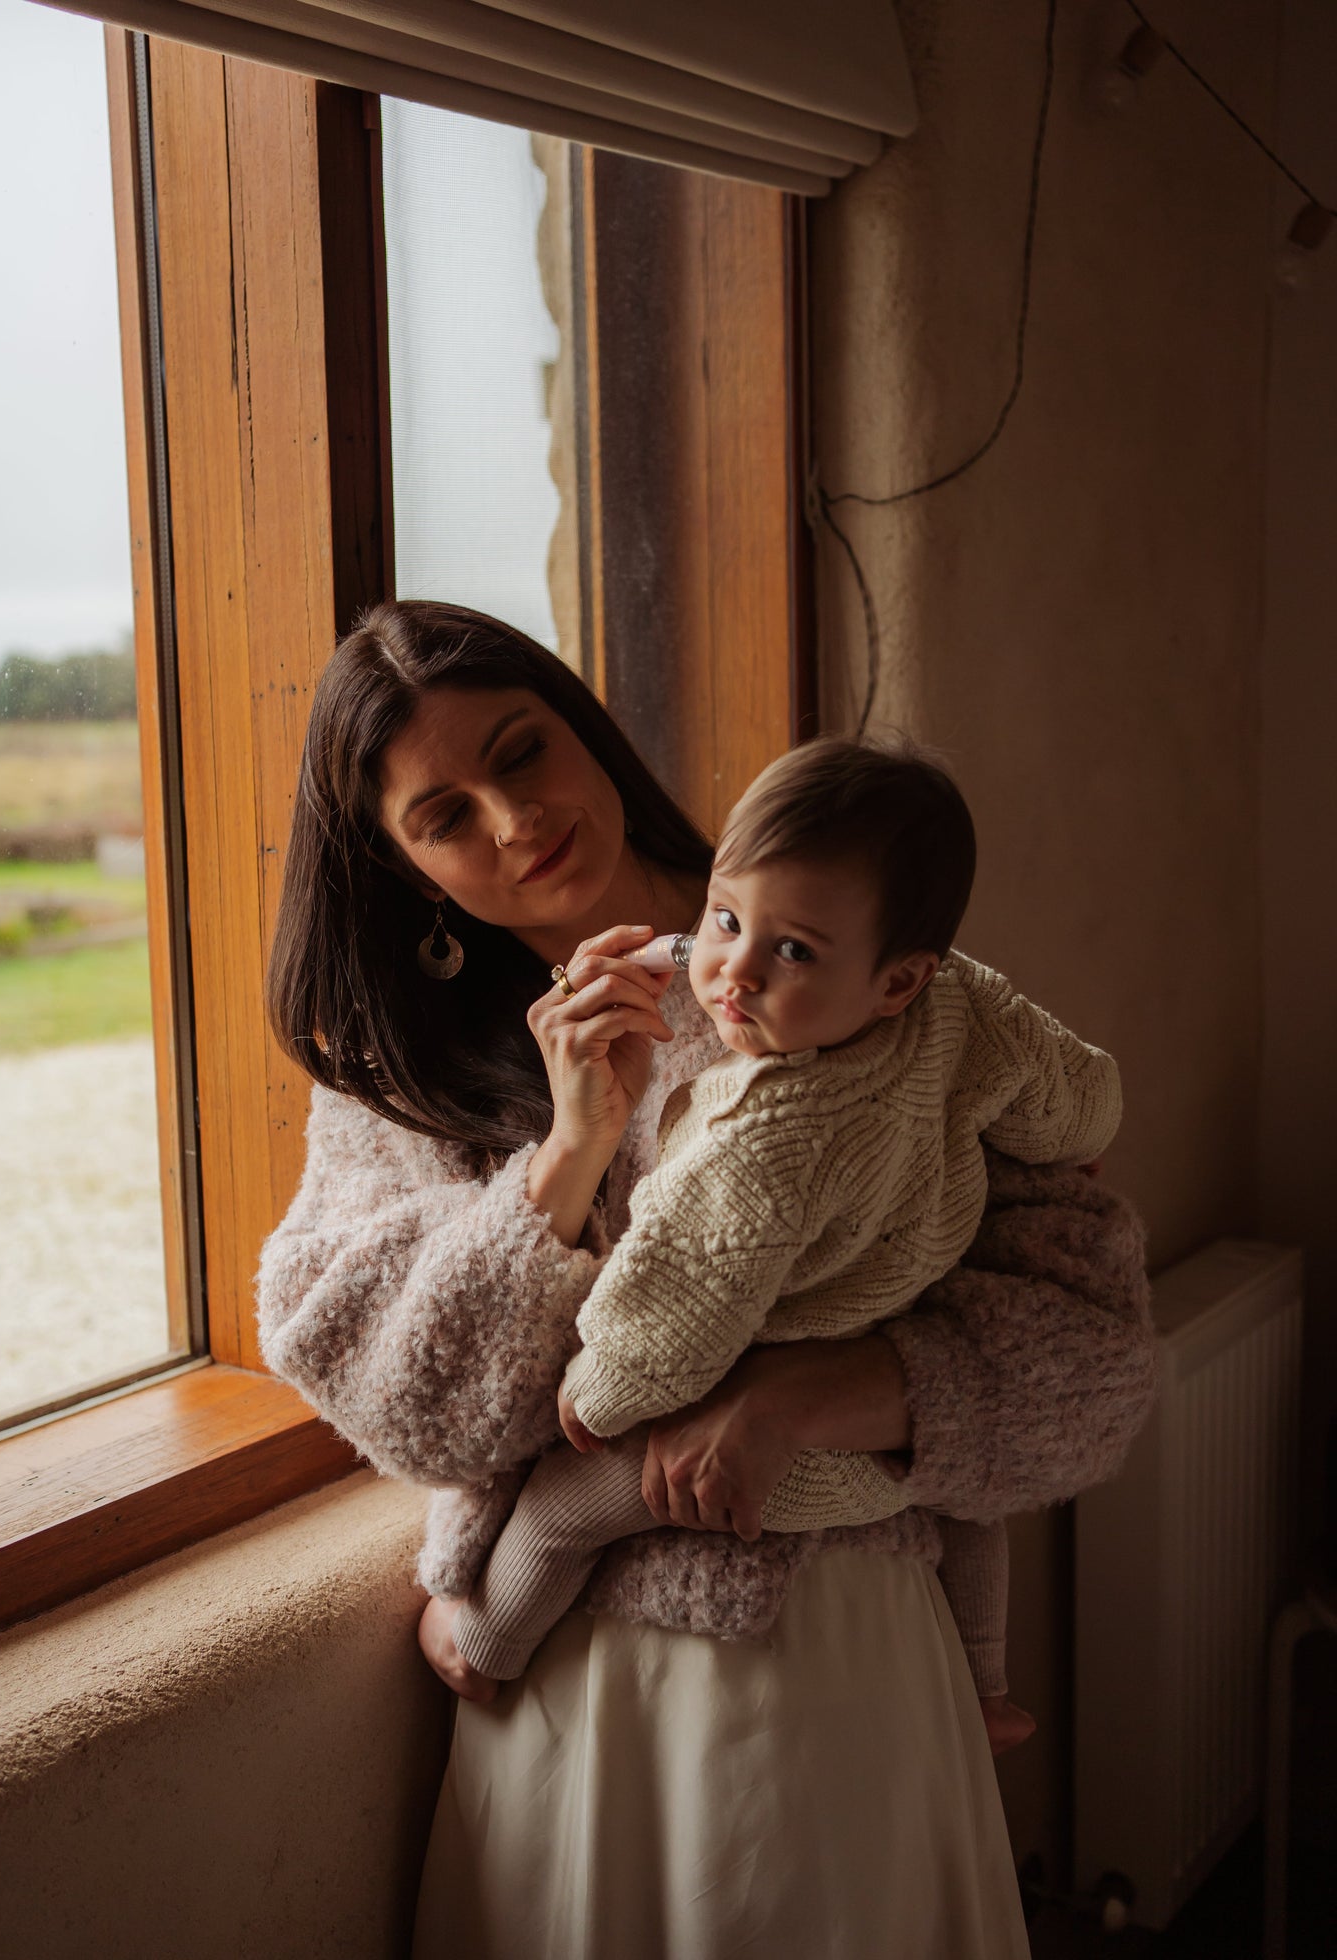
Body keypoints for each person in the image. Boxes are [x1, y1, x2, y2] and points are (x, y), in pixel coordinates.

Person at [256, 600, 1156, 1960]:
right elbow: (411, 1413)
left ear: (590, 738)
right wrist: (569, 1152)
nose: (513, 821)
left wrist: (821, 1397)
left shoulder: (869, 985)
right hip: (579, 1700)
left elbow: (1097, 1359)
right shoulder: (409, 1087)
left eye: (524, 754)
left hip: (850, 1664)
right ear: (406, 871)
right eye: (444, 816)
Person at [417, 737, 1121, 1762]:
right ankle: (983, 1683)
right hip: (888, 1375)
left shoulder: (770, 1133)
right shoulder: (962, 1002)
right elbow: (1078, 1092)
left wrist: (601, 1389)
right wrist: (1075, 1145)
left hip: (765, 1463)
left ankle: (481, 1641)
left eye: (789, 952)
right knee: (968, 1496)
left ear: (894, 980)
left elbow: (684, 1287)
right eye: (723, 919)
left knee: (565, 1509)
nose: (732, 975)